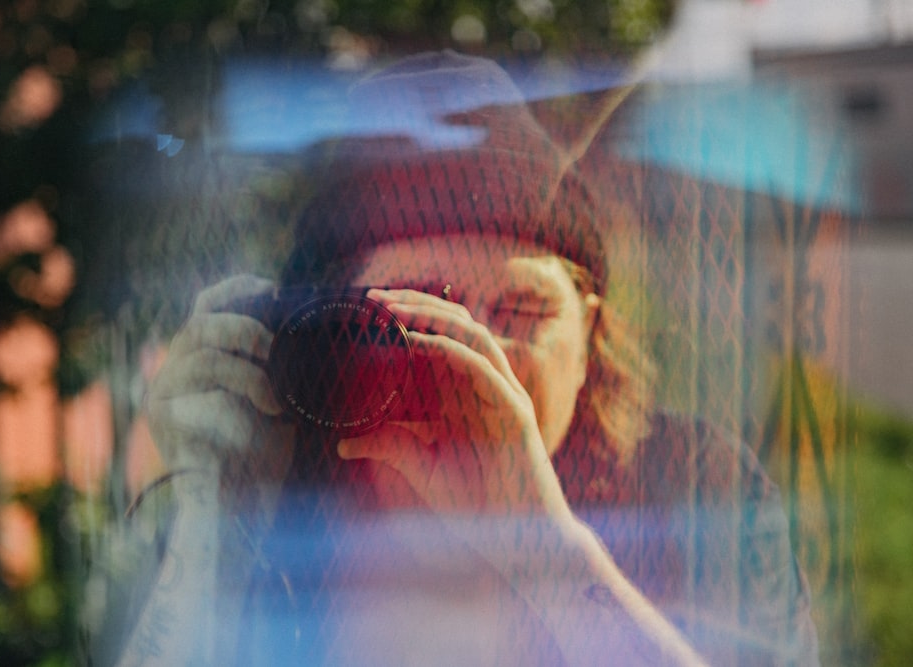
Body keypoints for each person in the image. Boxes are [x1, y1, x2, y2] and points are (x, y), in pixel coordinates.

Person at [118, 51, 818, 666]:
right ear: (332, 342)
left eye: (520, 312)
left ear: (588, 341)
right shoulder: (260, 503)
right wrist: (211, 540)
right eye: (420, 314)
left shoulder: (696, 493)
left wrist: (542, 541)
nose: (477, 356)